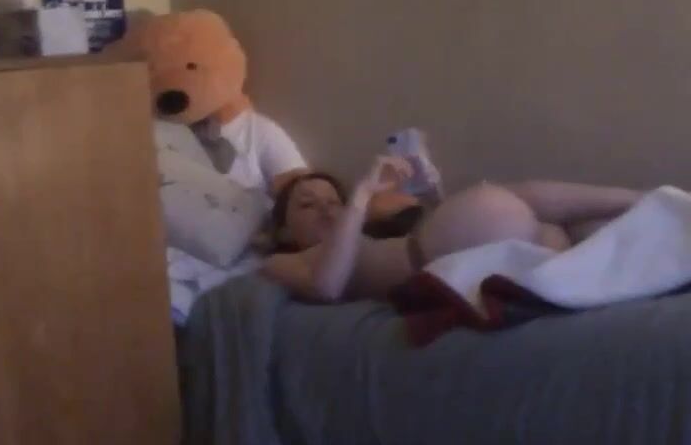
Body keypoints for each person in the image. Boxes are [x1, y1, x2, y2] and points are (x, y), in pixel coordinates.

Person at [261, 159, 641, 304]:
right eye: (307, 204)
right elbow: (327, 287)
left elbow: (427, 230)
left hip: (451, 245)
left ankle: (650, 206)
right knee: (548, 221)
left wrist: (430, 193)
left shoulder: (360, 237)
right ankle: (649, 205)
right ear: (283, 231)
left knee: (576, 229)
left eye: (334, 201)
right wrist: (360, 196)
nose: (327, 209)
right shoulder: (284, 261)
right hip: (438, 258)